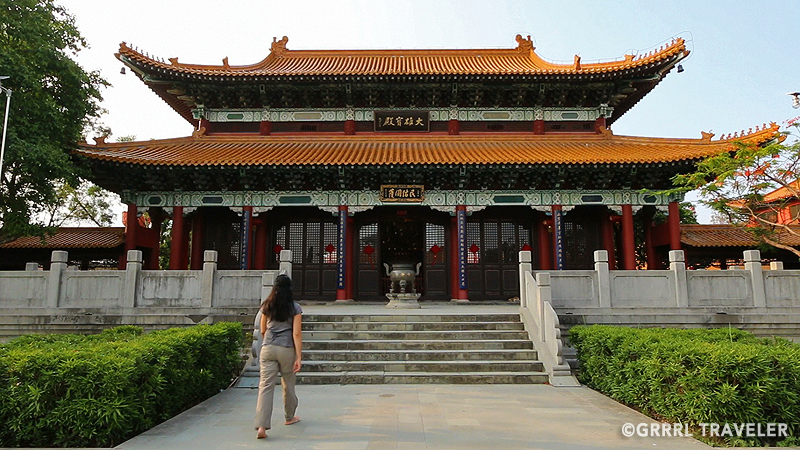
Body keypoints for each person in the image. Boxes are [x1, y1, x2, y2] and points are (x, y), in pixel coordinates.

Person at [254, 274, 302, 439]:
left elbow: (262, 330)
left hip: (268, 348)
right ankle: (289, 417)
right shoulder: (295, 308)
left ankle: (262, 426)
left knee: (265, 386)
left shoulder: (266, 306)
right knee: (288, 385)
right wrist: (299, 356)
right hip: (286, 348)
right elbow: (296, 333)